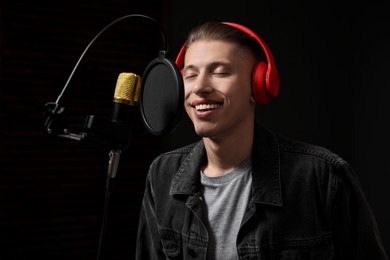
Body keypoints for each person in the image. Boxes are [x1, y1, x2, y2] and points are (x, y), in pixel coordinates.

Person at [135, 21, 388, 260]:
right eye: (190, 76)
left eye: (220, 72)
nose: (200, 87)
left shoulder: (322, 177)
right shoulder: (162, 174)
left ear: (259, 85)